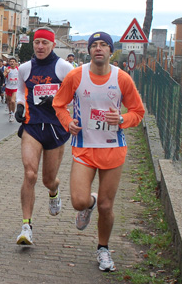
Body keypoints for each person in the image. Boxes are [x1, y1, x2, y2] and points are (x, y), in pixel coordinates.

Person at [53, 32, 145, 272]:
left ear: (111, 51)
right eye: (94, 45)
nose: (98, 48)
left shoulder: (122, 78)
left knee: (107, 206)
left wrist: (122, 118)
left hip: (113, 148)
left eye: (104, 45)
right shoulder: (76, 76)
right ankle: (89, 204)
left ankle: (103, 249)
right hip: (84, 147)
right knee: (78, 201)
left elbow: (138, 112)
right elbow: (58, 104)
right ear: (89, 51)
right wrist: (68, 123)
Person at [14, 27, 73, 245]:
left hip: (56, 127)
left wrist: (57, 100)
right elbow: (20, 90)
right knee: (30, 174)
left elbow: (75, 95)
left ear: (52, 45)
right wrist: (20, 105)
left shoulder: (64, 67)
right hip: (32, 125)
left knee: (48, 179)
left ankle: (54, 190)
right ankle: (26, 226)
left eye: (44, 43)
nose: (40, 46)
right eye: (37, 42)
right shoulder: (25, 68)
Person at [4, 57, 19, 122]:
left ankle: (13, 113)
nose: (12, 63)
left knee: (13, 101)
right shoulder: (7, 69)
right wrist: (6, 73)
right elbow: (3, 75)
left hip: (15, 88)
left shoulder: (18, 69)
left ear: (16, 63)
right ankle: (10, 112)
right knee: (9, 102)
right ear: (9, 63)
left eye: (13, 61)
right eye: (11, 61)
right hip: (8, 88)